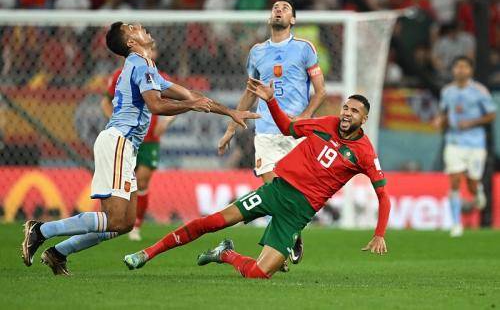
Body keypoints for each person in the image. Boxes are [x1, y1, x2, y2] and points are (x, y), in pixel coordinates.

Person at [21, 22, 259, 275]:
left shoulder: (148, 68)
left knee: (123, 224)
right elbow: (157, 105)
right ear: (131, 43)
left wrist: (230, 112)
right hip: (118, 142)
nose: (140, 26)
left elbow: (190, 94)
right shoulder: (139, 64)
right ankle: (40, 230)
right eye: (132, 28)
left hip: (125, 146)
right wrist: (192, 105)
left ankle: (58, 252)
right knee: (113, 219)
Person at [123, 79, 390, 280]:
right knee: (213, 221)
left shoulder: (365, 153)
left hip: (298, 214)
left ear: (364, 119)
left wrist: (379, 234)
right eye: (346, 107)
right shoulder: (326, 123)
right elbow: (287, 127)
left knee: (258, 274)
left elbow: (383, 196)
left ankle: (225, 253)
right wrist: (271, 101)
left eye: (354, 111)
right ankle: (146, 253)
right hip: (276, 191)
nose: (346, 113)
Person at [218, 0, 326, 266]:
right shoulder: (256, 52)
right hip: (265, 131)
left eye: (285, 8)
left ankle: (288, 236)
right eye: (275, 7)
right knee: (275, 192)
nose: (279, 10)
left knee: (293, 193)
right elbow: (249, 93)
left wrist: (304, 117)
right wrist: (231, 126)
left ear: (293, 20)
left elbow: (321, 91)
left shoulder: (304, 49)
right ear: (270, 18)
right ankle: (290, 238)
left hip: (294, 133)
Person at [101, 63, 175, 241]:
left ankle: (135, 225)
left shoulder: (158, 76)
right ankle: (109, 221)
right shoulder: (119, 74)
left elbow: (174, 102)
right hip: (126, 137)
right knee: (118, 180)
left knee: (141, 181)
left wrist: (166, 122)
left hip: (149, 141)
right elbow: (105, 102)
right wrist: (116, 122)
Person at [434, 56, 496, 237]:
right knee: (454, 181)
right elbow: (444, 112)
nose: (460, 70)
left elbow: (491, 114)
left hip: (476, 144)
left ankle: (477, 192)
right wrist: (440, 121)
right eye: (458, 67)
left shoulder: (479, 91)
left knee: (471, 184)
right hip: (454, 141)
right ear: (453, 70)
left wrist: (472, 123)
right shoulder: (447, 91)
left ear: (470, 70)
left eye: (464, 67)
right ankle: (456, 224)